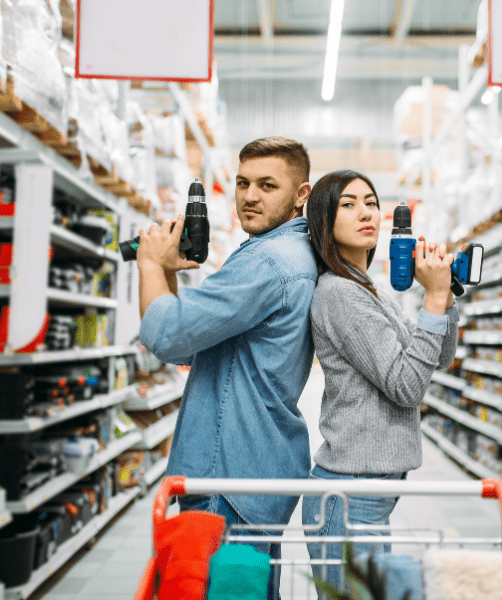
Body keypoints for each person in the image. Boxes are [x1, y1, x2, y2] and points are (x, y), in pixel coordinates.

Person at [136, 137, 317, 599]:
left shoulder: (267, 262)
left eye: (267, 184)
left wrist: (150, 264)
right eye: (242, 183)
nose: (249, 195)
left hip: (229, 474)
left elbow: (167, 337)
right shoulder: (289, 255)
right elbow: (191, 347)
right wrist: (171, 272)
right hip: (258, 464)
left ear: (302, 195)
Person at [302, 169, 459, 596]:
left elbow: (438, 357)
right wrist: (431, 299)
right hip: (349, 492)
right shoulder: (339, 293)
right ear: (324, 222)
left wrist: (445, 296)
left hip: (371, 489)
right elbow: (406, 386)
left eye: (370, 202)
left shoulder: (369, 288)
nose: (365, 212)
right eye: (348, 204)